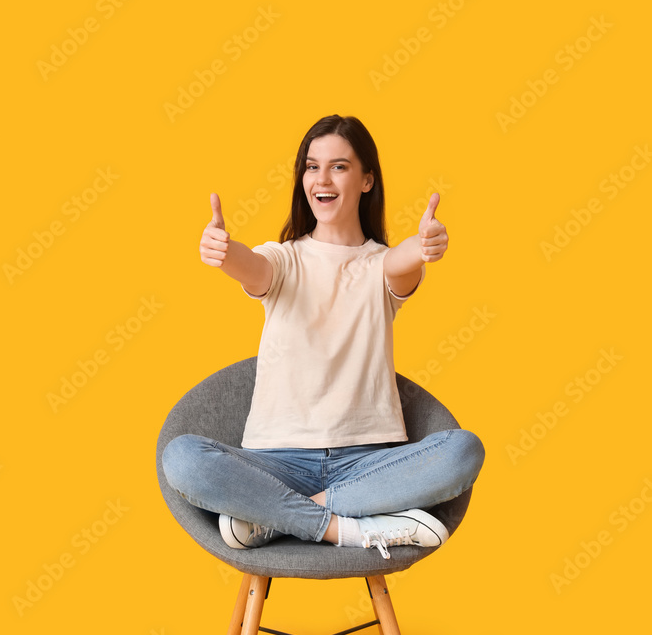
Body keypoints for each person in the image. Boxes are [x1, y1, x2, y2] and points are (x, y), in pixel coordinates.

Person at [162, 114, 485, 560]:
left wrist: (424, 244)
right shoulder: (283, 260)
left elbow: (404, 260)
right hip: (276, 463)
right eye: (312, 166)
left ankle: (275, 518)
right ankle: (348, 529)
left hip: (368, 463)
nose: (321, 178)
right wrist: (224, 253)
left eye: (339, 166)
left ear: (367, 180)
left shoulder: (381, 264)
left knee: (462, 451)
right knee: (182, 458)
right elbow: (253, 268)